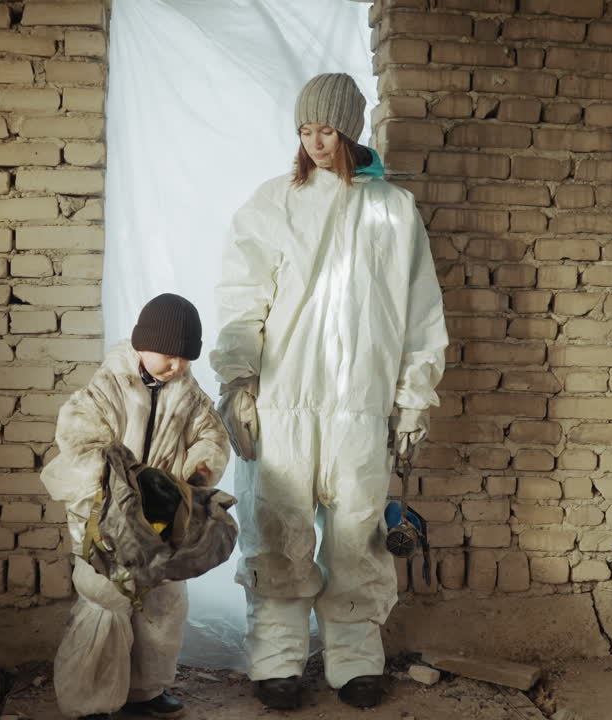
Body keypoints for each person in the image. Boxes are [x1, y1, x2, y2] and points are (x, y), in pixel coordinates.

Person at [211, 72, 448, 710]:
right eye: (305, 130)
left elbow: (422, 314)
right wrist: (238, 380)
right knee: (280, 530)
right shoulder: (273, 204)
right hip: (283, 403)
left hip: (361, 406)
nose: (316, 142)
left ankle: (354, 662)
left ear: (350, 130)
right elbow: (242, 299)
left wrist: (414, 397)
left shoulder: (392, 211)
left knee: (358, 536)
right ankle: (277, 662)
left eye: (327, 129)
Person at [42, 293, 231, 720]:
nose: (177, 366)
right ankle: (91, 700)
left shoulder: (189, 394)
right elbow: (78, 440)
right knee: (106, 600)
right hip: (110, 518)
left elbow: (211, 436)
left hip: (164, 518)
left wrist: (196, 471)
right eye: (168, 355)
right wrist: (125, 480)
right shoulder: (107, 389)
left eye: (185, 358)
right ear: (142, 344)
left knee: (163, 604)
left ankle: (146, 691)